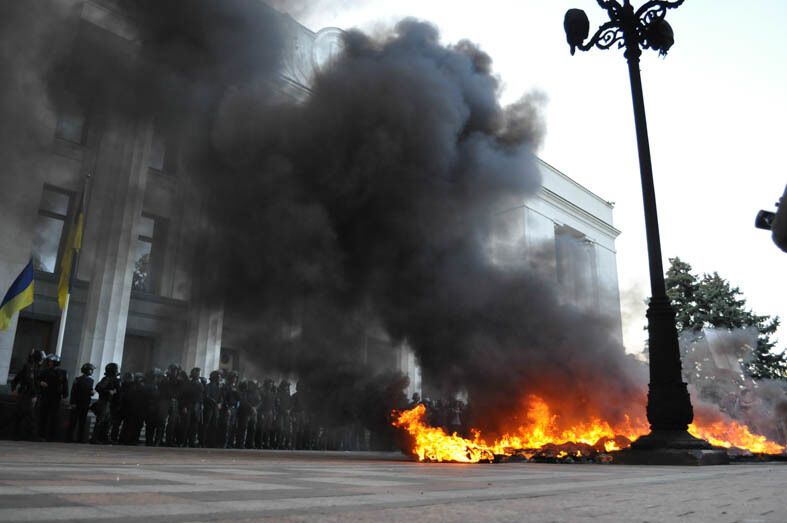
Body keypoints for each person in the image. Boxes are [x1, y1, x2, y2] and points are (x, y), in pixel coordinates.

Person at [10, 349, 45, 440]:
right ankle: (32, 435)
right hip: (27, 394)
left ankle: (16, 434)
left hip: (26, 394)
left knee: (19, 414)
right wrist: (34, 394)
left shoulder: (32, 367)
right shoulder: (31, 367)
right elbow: (29, 381)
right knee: (29, 415)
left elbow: (19, 378)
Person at [38, 354, 69, 441]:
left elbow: (65, 384)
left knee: (54, 417)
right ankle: (42, 435)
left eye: (51, 362)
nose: (49, 363)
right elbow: (37, 380)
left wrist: (65, 395)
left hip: (56, 396)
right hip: (45, 395)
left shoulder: (63, 372)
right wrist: (41, 383)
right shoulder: (44, 371)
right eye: (49, 362)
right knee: (43, 415)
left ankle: (51, 436)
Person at [91, 363, 120, 444]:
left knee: (108, 421)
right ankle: (95, 438)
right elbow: (98, 387)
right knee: (101, 420)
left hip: (110, 403)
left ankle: (104, 438)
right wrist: (109, 392)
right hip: (104, 402)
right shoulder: (107, 379)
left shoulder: (113, 379)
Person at [68, 363, 95, 443]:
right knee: (73, 422)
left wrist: (92, 392)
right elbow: (74, 391)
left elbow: (89, 390)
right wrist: (72, 402)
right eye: (91, 370)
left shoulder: (91, 380)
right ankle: (69, 438)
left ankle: (80, 439)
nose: (92, 371)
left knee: (82, 422)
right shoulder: (78, 379)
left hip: (85, 404)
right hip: (77, 403)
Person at [180, 367, 205, 447]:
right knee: (186, 425)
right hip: (188, 405)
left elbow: (201, 396)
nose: (197, 375)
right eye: (196, 373)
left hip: (197, 406)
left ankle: (192, 442)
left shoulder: (201, 384)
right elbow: (183, 396)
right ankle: (183, 442)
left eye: (198, 373)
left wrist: (201, 406)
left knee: (194, 426)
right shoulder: (187, 383)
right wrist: (184, 406)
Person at [202, 370, 223, 448]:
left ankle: (212, 442)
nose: (219, 378)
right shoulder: (208, 386)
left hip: (215, 409)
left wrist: (220, 403)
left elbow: (221, 397)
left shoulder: (219, 387)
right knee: (206, 425)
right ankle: (204, 442)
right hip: (209, 408)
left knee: (214, 426)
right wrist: (214, 402)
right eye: (218, 377)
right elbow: (207, 396)